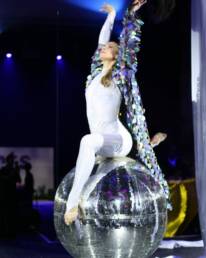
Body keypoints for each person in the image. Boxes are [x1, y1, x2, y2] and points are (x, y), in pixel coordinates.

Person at [64, 0, 170, 225]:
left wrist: (130, 13)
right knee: (91, 162)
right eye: (105, 47)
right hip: (103, 142)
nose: (104, 47)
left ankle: (72, 204)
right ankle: (82, 211)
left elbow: (129, 44)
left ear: (117, 54)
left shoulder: (121, 75)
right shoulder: (94, 74)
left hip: (119, 140)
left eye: (110, 47)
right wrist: (111, 16)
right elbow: (101, 40)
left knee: (87, 141)